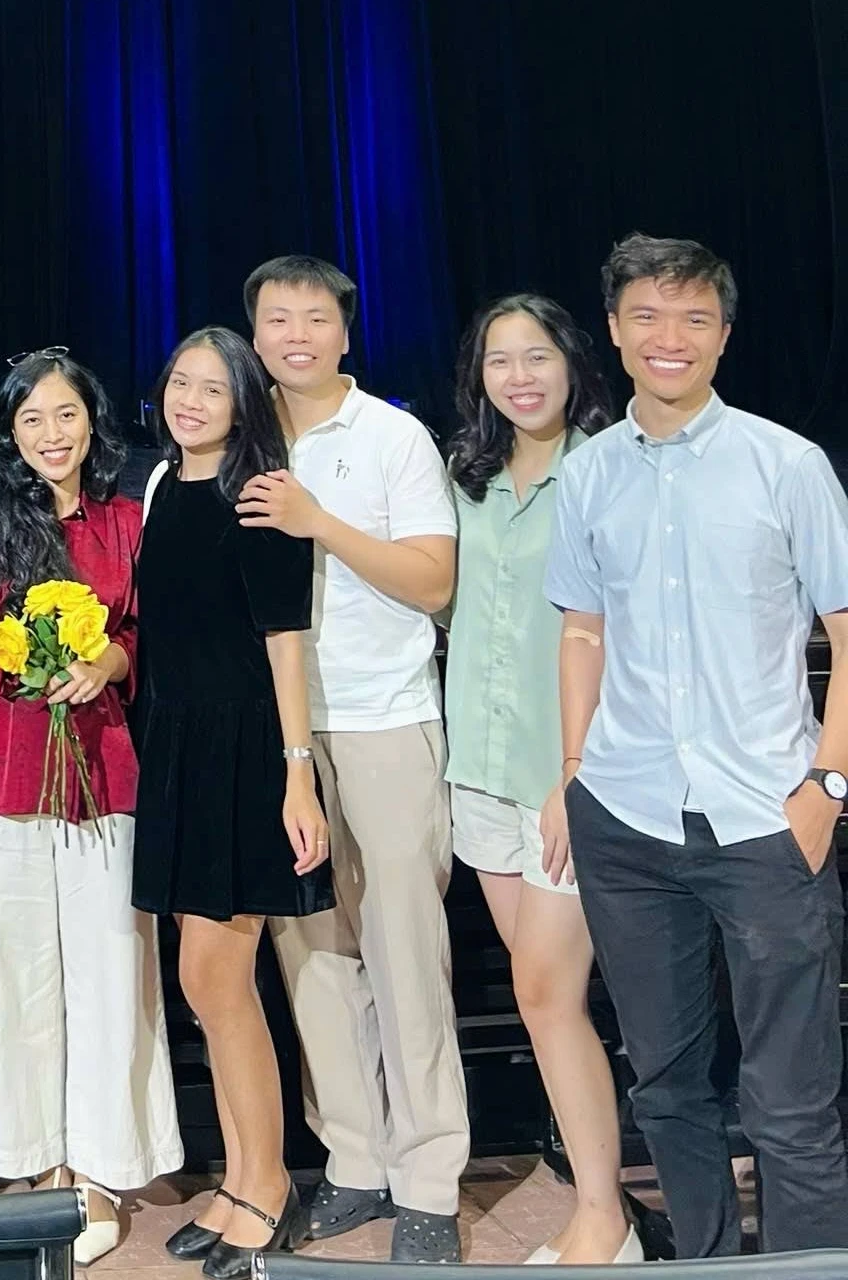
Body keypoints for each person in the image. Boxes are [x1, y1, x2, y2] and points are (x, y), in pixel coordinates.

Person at [543, 234, 848, 1257]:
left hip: (769, 815)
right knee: (668, 1085)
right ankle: (710, 1264)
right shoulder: (586, 476)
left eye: (694, 318)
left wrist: (827, 785)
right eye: (648, 316)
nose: (669, 338)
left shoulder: (787, 464)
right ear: (617, 332)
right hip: (625, 817)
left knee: (792, 1099)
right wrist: (578, 772)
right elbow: (580, 628)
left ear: (722, 333)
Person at [234, 255, 467, 1263]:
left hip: (381, 720)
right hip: (279, 733)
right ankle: (356, 1160)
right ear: (253, 336)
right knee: (315, 956)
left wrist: (318, 522)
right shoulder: (239, 439)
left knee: (407, 951)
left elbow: (433, 580)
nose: (294, 335)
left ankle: (429, 1178)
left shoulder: (392, 436)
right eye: (276, 319)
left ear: (344, 331)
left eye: (313, 318)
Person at [0, 348, 182, 1266]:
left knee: (111, 975)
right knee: (19, 975)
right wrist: (25, 665)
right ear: (11, 431)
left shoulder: (125, 519)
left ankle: (100, 1167)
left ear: (92, 422)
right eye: (32, 420)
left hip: (107, 781)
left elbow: (141, 631)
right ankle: (34, 1163)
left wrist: (108, 662)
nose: (51, 435)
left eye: (66, 416)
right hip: (10, 780)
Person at [441, 295, 637, 1265]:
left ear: (572, 362)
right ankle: (598, 1200)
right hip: (479, 769)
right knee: (541, 997)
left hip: (570, 776)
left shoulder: (607, 469)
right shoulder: (466, 477)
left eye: (537, 356)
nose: (519, 375)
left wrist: (578, 768)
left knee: (549, 988)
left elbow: (619, 632)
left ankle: (605, 1213)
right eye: (499, 359)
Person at [137, 328, 332, 1279]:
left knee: (222, 977)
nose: (192, 400)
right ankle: (243, 1172)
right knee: (205, 984)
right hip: (174, 746)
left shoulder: (261, 498)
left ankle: (269, 1182)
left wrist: (299, 771)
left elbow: (285, 641)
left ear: (244, 403)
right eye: (181, 382)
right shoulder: (157, 489)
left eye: (214, 389)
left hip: (245, 748)